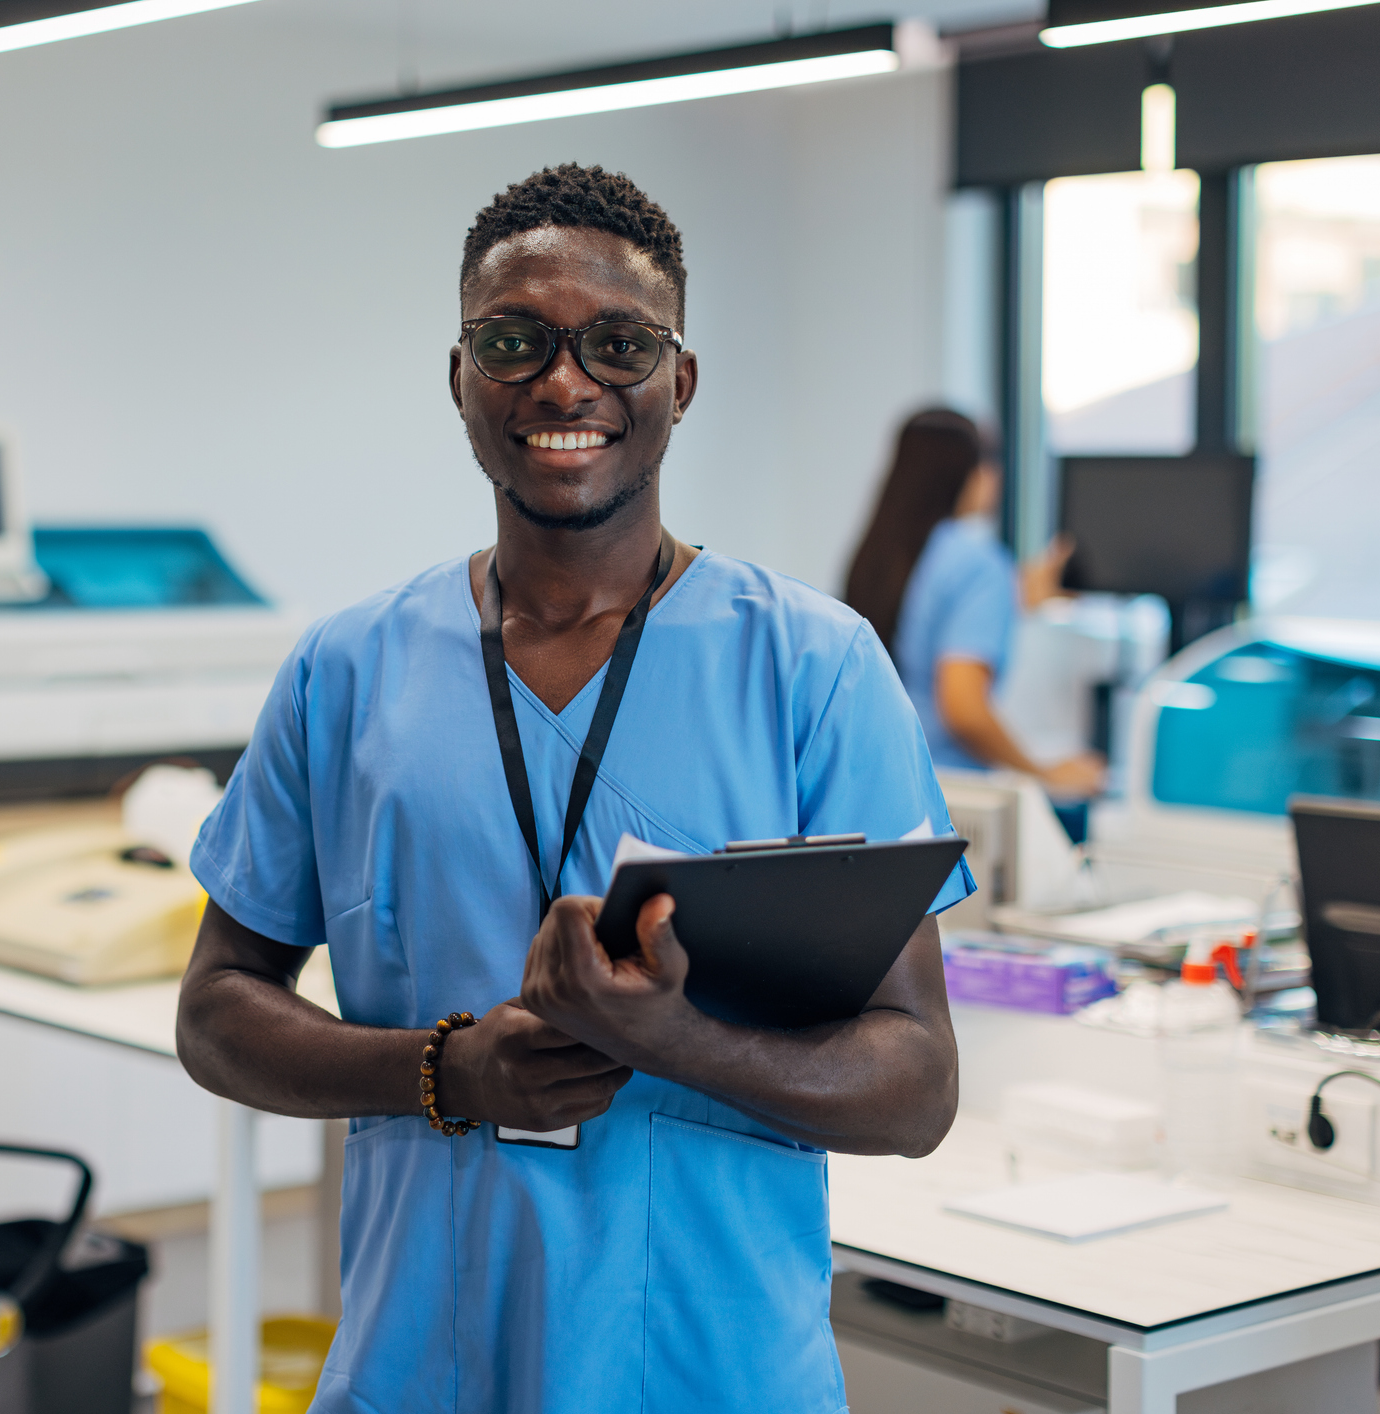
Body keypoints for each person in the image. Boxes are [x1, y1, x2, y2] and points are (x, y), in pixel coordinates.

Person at [177, 165, 971, 1413]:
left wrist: (673, 1039)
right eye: (513, 341)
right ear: (458, 380)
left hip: (711, 1371)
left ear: (678, 382)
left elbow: (915, 1083)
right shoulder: (347, 671)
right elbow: (216, 1009)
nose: (564, 382)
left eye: (617, 342)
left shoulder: (810, 667)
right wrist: (443, 1072)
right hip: (419, 1362)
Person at [844, 409, 1105, 800]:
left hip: (882, 782)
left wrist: (1017, 593)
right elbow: (963, 709)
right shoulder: (979, 563)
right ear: (969, 472)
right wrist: (1043, 773)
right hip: (952, 795)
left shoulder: (879, 557)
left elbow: (925, 625)